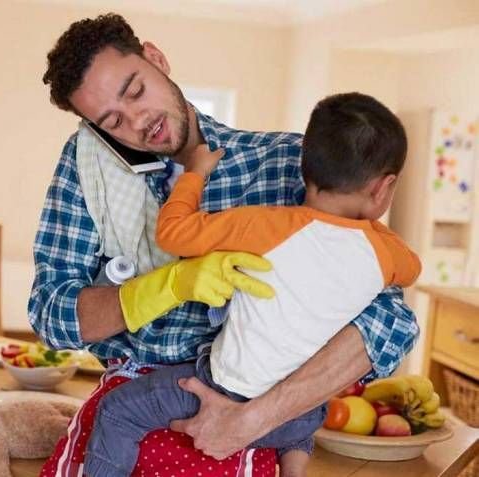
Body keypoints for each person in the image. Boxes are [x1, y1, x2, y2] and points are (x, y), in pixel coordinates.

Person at [30, 13, 419, 476]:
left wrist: (252, 419)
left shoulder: (285, 165)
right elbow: (51, 314)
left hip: (250, 407)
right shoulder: (91, 171)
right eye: (113, 121)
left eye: (135, 91)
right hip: (135, 400)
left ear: (156, 58)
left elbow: (389, 320)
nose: (138, 121)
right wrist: (167, 286)